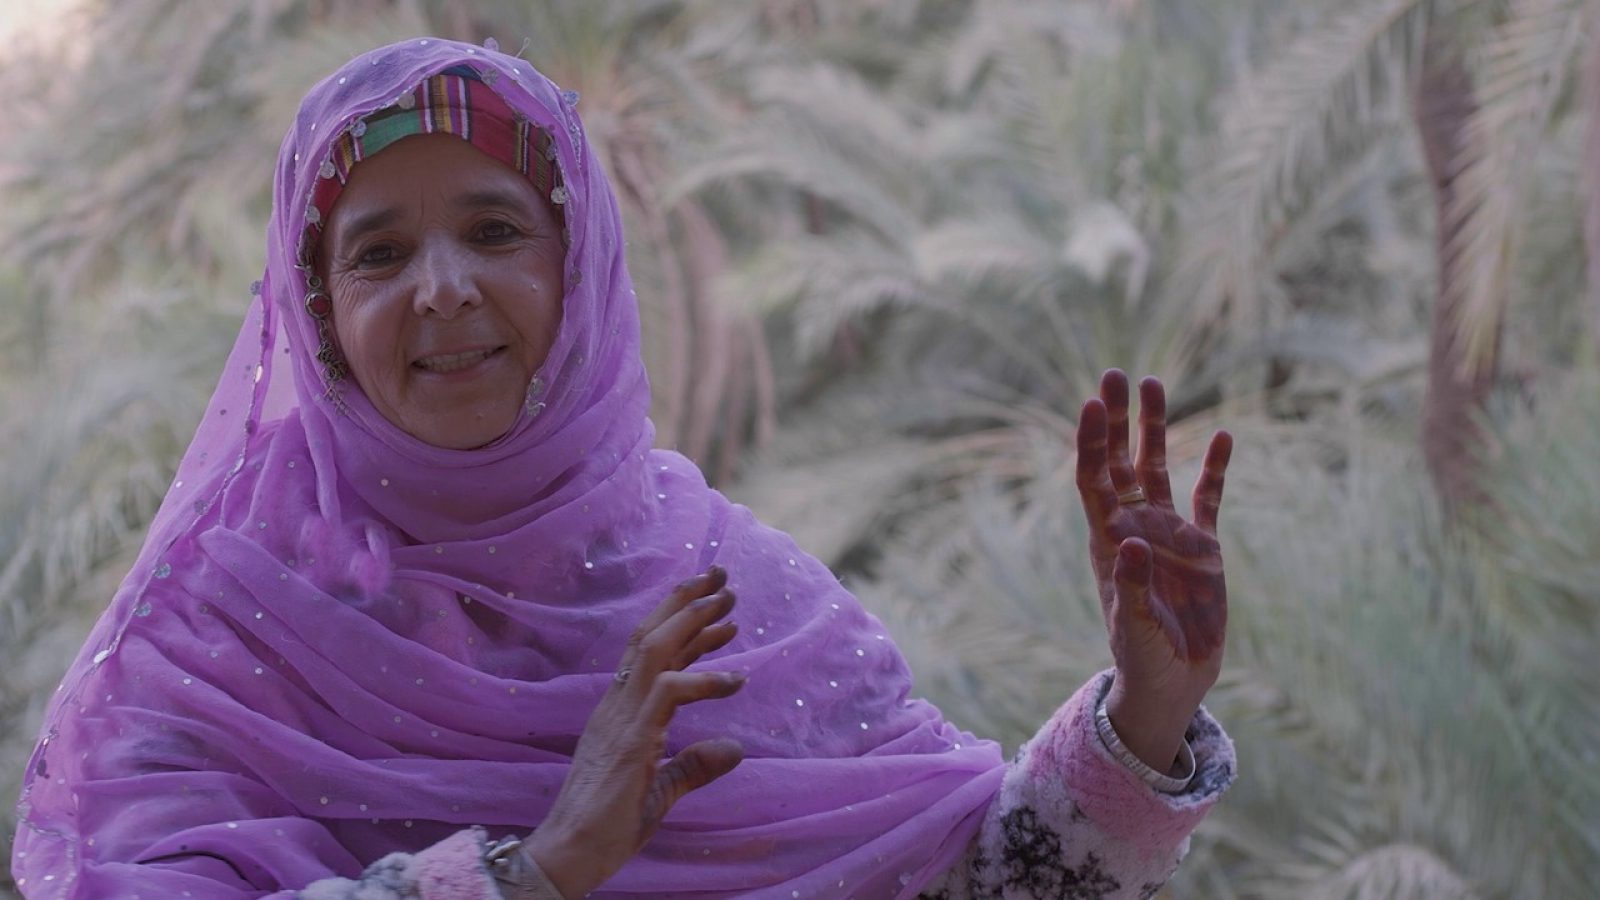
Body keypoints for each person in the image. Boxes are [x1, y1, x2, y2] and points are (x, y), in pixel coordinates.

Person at [10, 38, 1236, 899]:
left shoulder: (728, 596)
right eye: (379, 253)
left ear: (577, 269)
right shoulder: (222, 638)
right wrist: (533, 871)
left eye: (494, 230)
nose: (444, 288)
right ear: (321, 311)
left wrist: (1147, 713)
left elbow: (969, 881)